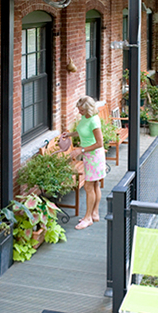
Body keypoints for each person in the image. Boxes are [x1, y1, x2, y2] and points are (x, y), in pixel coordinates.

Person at [62, 96, 106, 230]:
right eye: (79, 109)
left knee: (88, 187)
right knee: (94, 184)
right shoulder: (85, 117)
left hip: (94, 157)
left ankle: (87, 218)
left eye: (81, 110)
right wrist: (70, 135)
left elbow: (99, 143)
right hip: (89, 156)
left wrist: (80, 150)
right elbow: (83, 132)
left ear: (88, 109)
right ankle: (94, 213)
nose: (79, 112)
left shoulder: (94, 121)